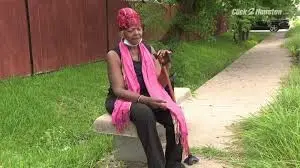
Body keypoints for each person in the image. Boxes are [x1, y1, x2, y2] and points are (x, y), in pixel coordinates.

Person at [105, 7, 191, 168]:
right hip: (123, 99)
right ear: (122, 32)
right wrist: (147, 101)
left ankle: (173, 163)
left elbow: (160, 83)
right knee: (145, 114)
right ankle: (157, 164)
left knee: (174, 112)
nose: (137, 33)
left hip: (148, 95)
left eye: (139, 29)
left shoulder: (148, 49)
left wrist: (166, 65)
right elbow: (118, 90)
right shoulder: (113, 55)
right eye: (131, 30)